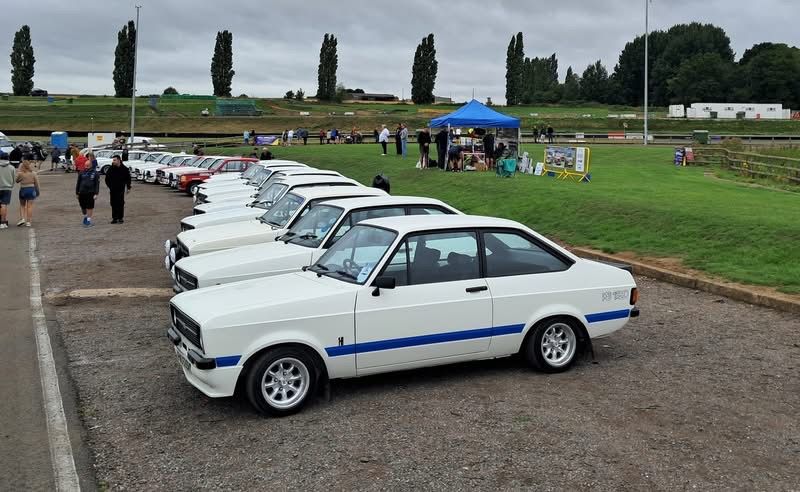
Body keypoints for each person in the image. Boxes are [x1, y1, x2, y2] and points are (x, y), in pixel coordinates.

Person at [105, 156, 131, 224]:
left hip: (121, 189)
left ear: (119, 160)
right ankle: (114, 218)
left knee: (120, 203)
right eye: (113, 160)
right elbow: (107, 178)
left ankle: (120, 218)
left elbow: (128, 179)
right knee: (113, 203)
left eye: (114, 160)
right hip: (113, 189)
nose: (113, 161)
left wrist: (128, 187)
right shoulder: (111, 168)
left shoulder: (124, 169)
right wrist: (110, 186)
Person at [76, 157, 100, 227]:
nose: (86, 167)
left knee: (90, 207)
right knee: (83, 207)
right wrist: (77, 193)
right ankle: (85, 216)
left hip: (91, 193)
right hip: (82, 192)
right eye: (85, 165)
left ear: (91, 165)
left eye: (88, 165)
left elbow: (97, 184)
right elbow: (78, 183)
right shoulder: (81, 172)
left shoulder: (95, 173)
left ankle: (88, 220)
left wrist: (96, 193)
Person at [15, 161, 39, 227]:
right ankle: (28, 222)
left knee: (22, 205)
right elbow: (36, 183)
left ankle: (22, 218)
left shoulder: (21, 173)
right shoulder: (33, 173)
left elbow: (16, 181)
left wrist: (20, 176)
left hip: (23, 189)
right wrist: (37, 191)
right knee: (30, 206)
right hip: (31, 189)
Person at [0, 158, 15, 228]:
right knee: (4, 204)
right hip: (7, 188)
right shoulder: (11, 167)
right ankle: (3, 221)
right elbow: (14, 178)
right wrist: (11, 185)